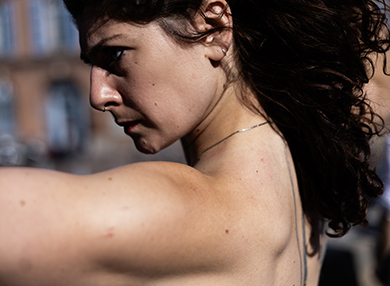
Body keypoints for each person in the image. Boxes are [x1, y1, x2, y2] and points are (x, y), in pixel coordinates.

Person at [0, 0, 388, 285]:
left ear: (215, 28)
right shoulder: (298, 178)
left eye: (115, 54)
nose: (97, 95)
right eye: (92, 64)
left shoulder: (192, 207)